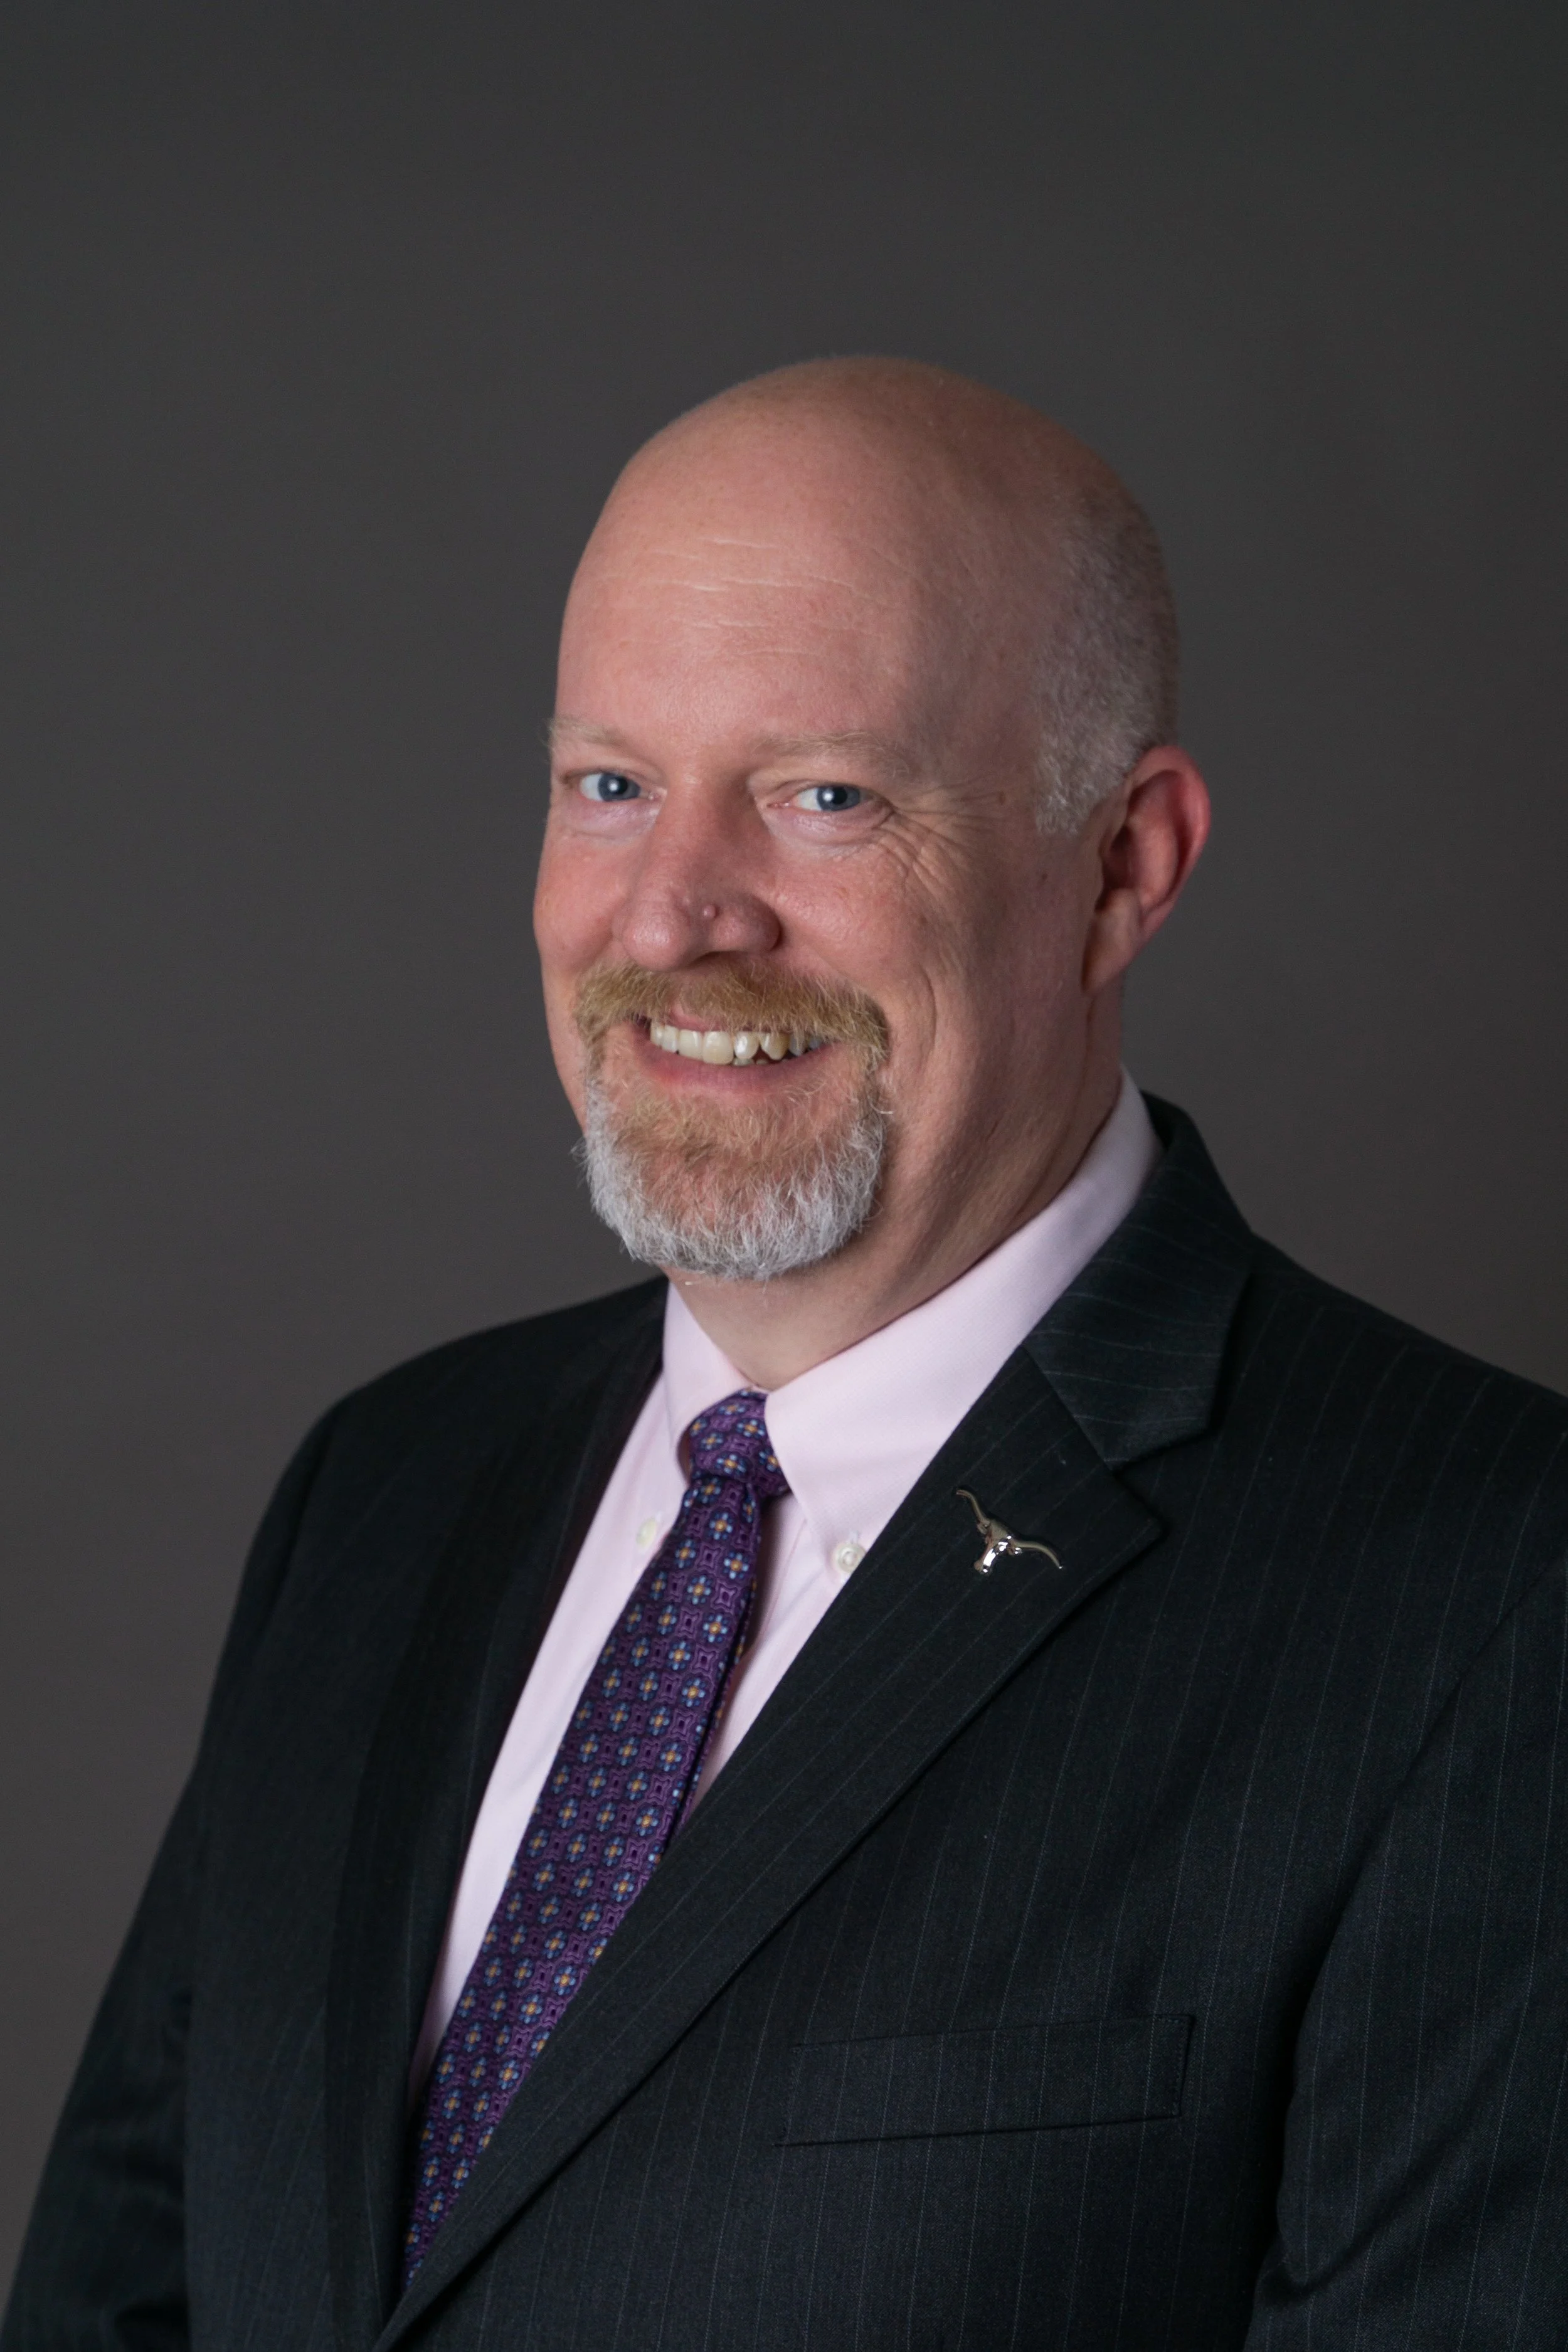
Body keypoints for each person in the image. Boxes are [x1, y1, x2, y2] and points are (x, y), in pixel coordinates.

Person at [6, 357, 1566, 2351]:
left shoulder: (1489, 1597)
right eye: (610, 783)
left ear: (1120, 866)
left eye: (825, 793)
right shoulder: (384, 1490)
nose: (672, 913)